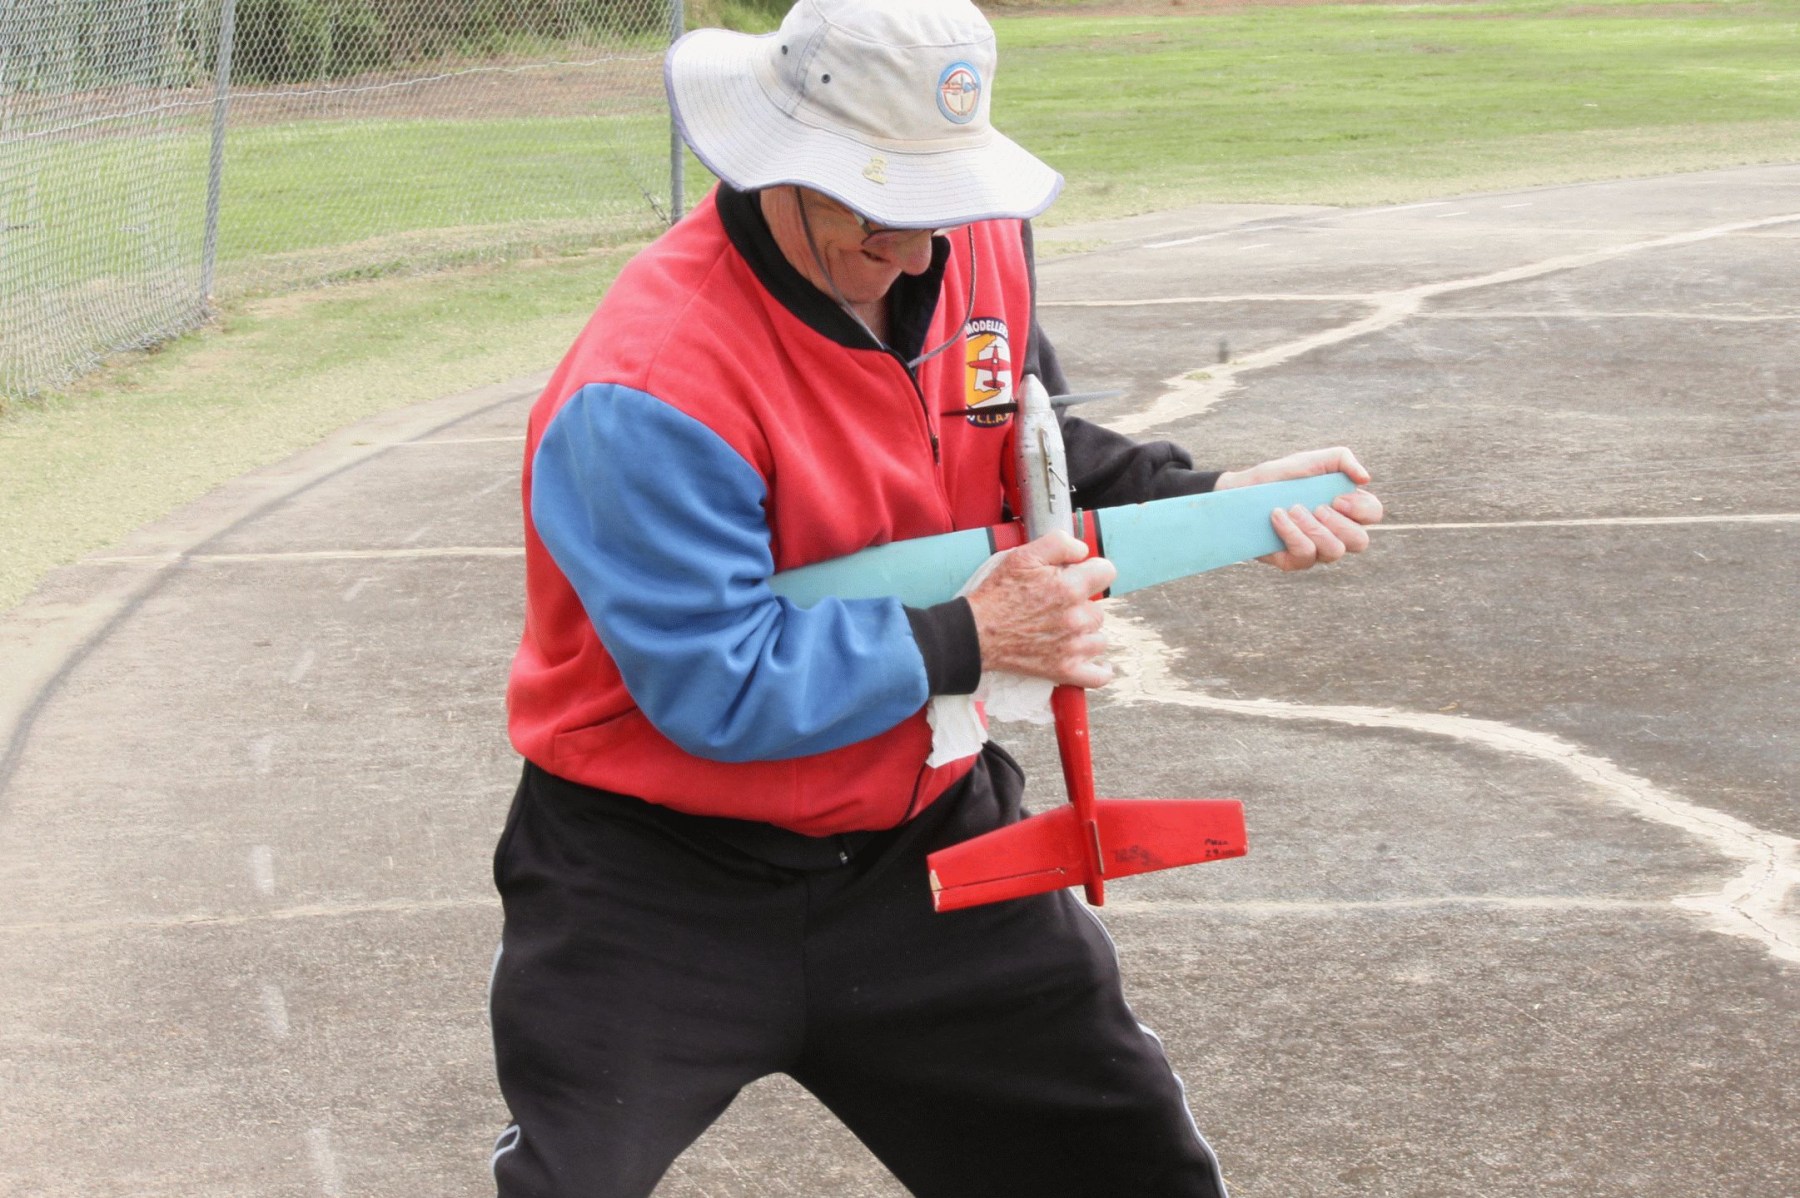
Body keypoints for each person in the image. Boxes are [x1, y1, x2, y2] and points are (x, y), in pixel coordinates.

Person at [487, 1, 1383, 1195]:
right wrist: (976, 633)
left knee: (1128, 1166)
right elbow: (715, 683)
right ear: (782, 167)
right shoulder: (648, 390)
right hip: (654, 880)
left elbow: (1027, 452)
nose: (920, 256)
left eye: (940, 209)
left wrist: (1209, 498)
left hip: (922, 836)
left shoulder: (976, 244)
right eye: (884, 218)